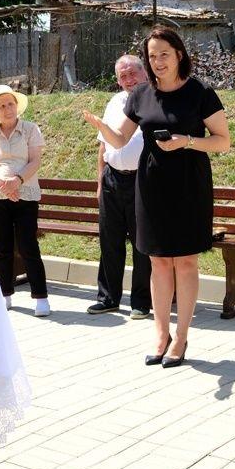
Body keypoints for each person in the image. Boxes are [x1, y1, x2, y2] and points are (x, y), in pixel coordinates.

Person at [83, 26, 230, 368]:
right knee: (159, 261)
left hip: (189, 185)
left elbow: (223, 141)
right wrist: (101, 127)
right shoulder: (141, 94)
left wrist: (186, 141)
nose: (158, 61)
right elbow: (120, 140)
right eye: (152, 56)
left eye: (164, 54)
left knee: (186, 262)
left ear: (179, 54)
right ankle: (160, 335)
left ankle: (181, 337)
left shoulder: (200, 92)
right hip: (151, 186)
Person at [87, 55, 152, 320]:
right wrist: (100, 181)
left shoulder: (154, 100)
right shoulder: (114, 102)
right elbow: (103, 145)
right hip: (112, 178)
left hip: (143, 180)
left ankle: (141, 302)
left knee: (141, 244)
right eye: (123, 76)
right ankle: (108, 298)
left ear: (144, 73)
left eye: (132, 73)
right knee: (109, 241)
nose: (128, 80)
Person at [0, 85, 51, 317]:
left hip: (25, 194)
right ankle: (5, 295)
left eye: (10, 103)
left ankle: (40, 297)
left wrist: (17, 181)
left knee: (28, 246)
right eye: (2, 105)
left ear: (17, 105)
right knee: (2, 248)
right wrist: (1, 181)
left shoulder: (31, 129)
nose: (7, 108)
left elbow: (35, 161)